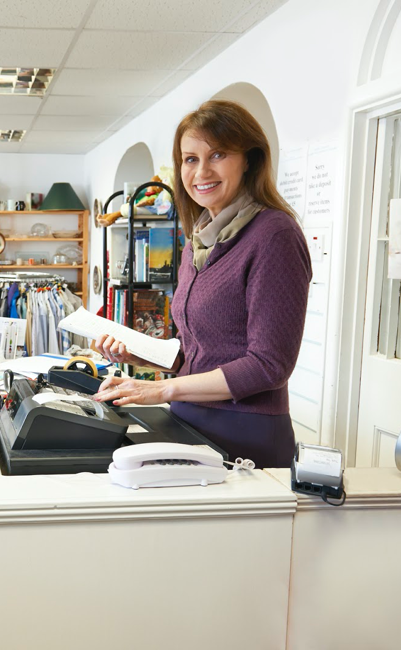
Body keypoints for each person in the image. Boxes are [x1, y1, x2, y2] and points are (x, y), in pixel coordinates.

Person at [93, 100, 312, 468]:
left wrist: (161, 389)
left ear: (249, 160)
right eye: (190, 159)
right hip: (190, 424)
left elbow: (269, 365)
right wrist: (140, 356)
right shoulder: (199, 240)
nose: (201, 171)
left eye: (218, 154)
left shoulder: (274, 234)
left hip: (245, 437)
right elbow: (199, 356)